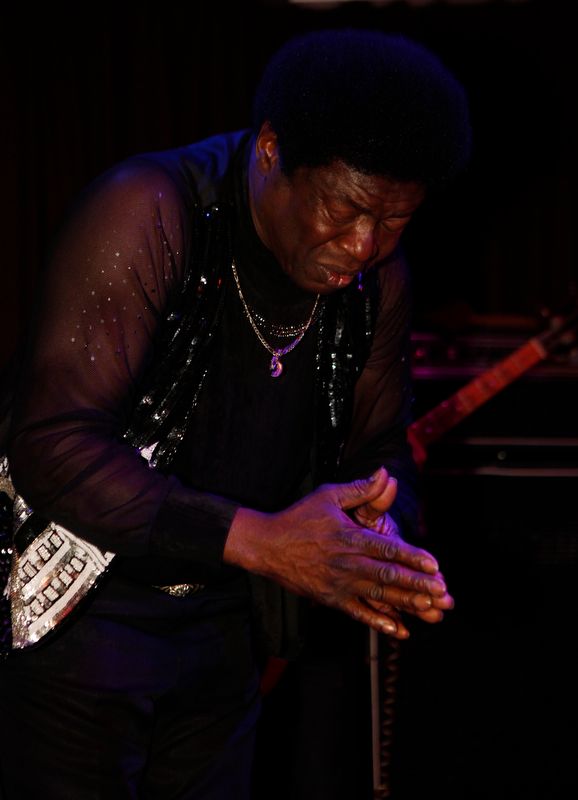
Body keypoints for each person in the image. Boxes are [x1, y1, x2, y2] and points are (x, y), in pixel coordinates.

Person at [0, 28, 471, 800]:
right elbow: (52, 444)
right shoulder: (148, 209)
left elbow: (378, 443)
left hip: (225, 628)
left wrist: (379, 534)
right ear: (272, 149)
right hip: (78, 622)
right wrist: (260, 540)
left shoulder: (378, 279)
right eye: (344, 208)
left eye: (395, 221)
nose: (364, 244)